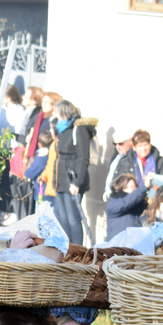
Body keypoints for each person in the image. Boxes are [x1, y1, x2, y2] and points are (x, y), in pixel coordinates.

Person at [50, 100, 95, 245]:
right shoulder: (61, 129)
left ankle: (77, 250)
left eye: (56, 111)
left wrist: (77, 182)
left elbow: (83, 158)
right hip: (61, 178)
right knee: (62, 217)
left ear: (64, 111)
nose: (53, 114)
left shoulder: (78, 129)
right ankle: (66, 249)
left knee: (73, 218)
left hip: (72, 178)